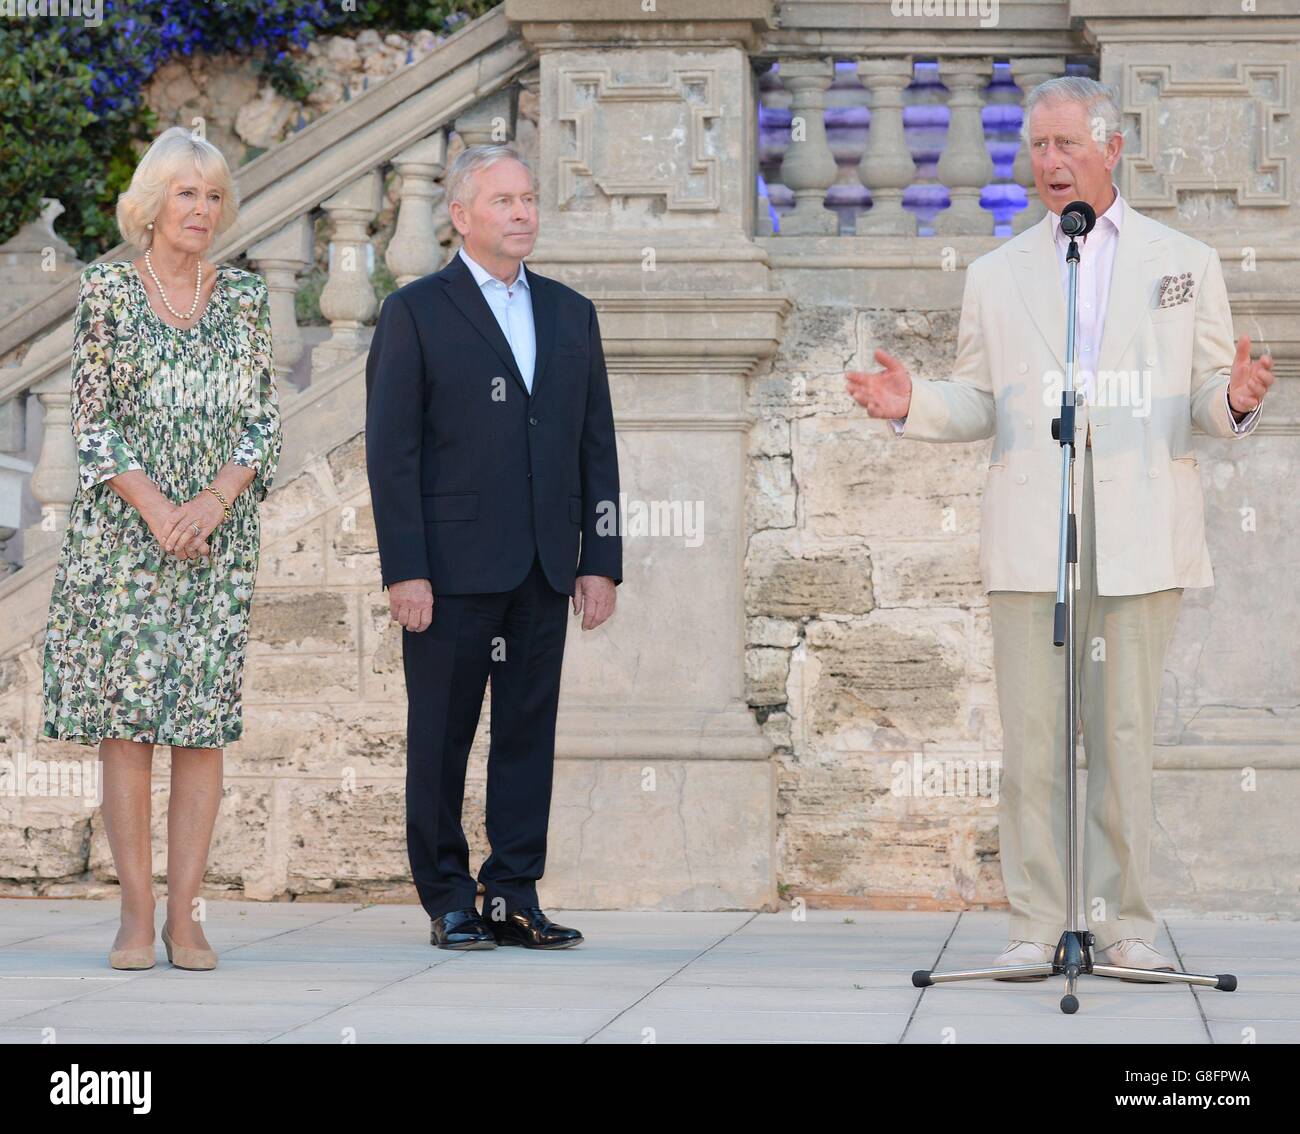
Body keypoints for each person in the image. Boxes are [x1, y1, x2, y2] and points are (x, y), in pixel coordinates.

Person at [845, 77, 1272, 979]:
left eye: (1066, 145)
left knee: (1123, 740)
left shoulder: (1183, 260)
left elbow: (1203, 394)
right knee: (1031, 741)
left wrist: (1231, 402)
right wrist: (910, 401)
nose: (1049, 163)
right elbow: (978, 399)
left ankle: (1120, 927)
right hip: (1035, 537)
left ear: (1111, 149)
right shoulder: (996, 275)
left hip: (1143, 537)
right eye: (1037, 148)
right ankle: (1036, 927)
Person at [365, 144, 622, 951]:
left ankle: (513, 891)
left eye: (529, 198)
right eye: (504, 201)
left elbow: (595, 445)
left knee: (525, 735)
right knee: (440, 736)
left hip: (546, 566)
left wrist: (600, 558)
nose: (522, 213)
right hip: (448, 571)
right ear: (461, 215)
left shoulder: (573, 312)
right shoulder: (415, 310)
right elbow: (392, 451)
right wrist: (405, 568)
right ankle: (446, 895)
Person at [41, 126, 283, 972]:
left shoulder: (247, 297)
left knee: (202, 726)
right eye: (187, 193)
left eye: (214, 196)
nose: (203, 210)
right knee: (129, 730)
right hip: (125, 542)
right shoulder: (107, 290)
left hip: (216, 542)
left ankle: (189, 916)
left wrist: (212, 503)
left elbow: (262, 417)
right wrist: (157, 510)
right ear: (151, 203)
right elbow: (92, 418)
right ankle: (135, 914)